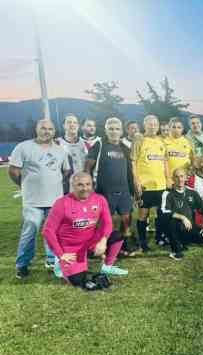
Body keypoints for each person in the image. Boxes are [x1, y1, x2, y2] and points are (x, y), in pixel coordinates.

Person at [9, 119, 71, 279]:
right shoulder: (24, 147)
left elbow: (66, 171)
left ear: (54, 132)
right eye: (43, 128)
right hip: (32, 201)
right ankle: (22, 264)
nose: (46, 131)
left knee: (53, 233)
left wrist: (52, 183)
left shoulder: (60, 150)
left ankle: (51, 260)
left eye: (50, 129)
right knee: (30, 231)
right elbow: (13, 171)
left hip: (55, 201)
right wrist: (25, 185)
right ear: (37, 129)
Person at [42, 172, 127, 288]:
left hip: (90, 242)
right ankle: (60, 263)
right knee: (78, 281)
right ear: (73, 186)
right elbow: (48, 231)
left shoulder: (99, 199)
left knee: (117, 236)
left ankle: (107, 267)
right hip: (71, 249)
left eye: (88, 184)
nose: (85, 188)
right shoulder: (62, 203)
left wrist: (103, 241)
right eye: (80, 185)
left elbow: (107, 223)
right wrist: (61, 254)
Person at [85, 118, 136, 256]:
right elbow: (88, 167)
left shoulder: (125, 148)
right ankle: (100, 246)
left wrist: (133, 190)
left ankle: (123, 245)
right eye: (111, 129)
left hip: (124, 190)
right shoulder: (99, 145)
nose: (114, 132)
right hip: (104, 191)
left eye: (117, 129)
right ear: (106, 130)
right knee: (105, 221)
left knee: (126, 218)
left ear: (121, 131)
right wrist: (89, 188)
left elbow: (130, 171)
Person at [131, 114, 170, 251]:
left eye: (155, 124)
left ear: (158, 126)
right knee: (143, 213)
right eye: (150, 124)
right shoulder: (139, 140)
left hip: (161, 184)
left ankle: (160, 238)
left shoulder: (161, 141)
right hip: (145, 185)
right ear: (145, 125)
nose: (152, 127)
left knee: (162, 213)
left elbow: (165, 161)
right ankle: (143, 242)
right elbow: (133, 162)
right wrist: (136, 181)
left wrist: (168, 178)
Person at [162, 168, 203, 260]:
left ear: (186, 178)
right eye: (176, 177)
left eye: (182, 176)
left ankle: (183, 241)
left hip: (189, 226)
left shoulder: (192, 192)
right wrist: (183, 218)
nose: (179, 179)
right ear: (173, 179)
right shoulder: (167, 193)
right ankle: (176, 251)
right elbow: (165, 212)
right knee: (173, 222)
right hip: (175, 226)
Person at [56, 114, 88, 192]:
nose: (72, 125)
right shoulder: (57, 143)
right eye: (69, 122)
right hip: (64, 188)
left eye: (75, 122)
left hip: (84, 188)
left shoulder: (86, 144)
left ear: (78, 126)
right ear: (64, 125)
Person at [162, 117, 194, 185]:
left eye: (179, 127)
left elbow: (192, 159)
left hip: (185, 180)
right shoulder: (163, 142)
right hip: (169, 181)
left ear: (182, 129)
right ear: (169, 128)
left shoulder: (188, 142)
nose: (176, 129)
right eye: (174, 127)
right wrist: (167, 178)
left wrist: (190, 170)